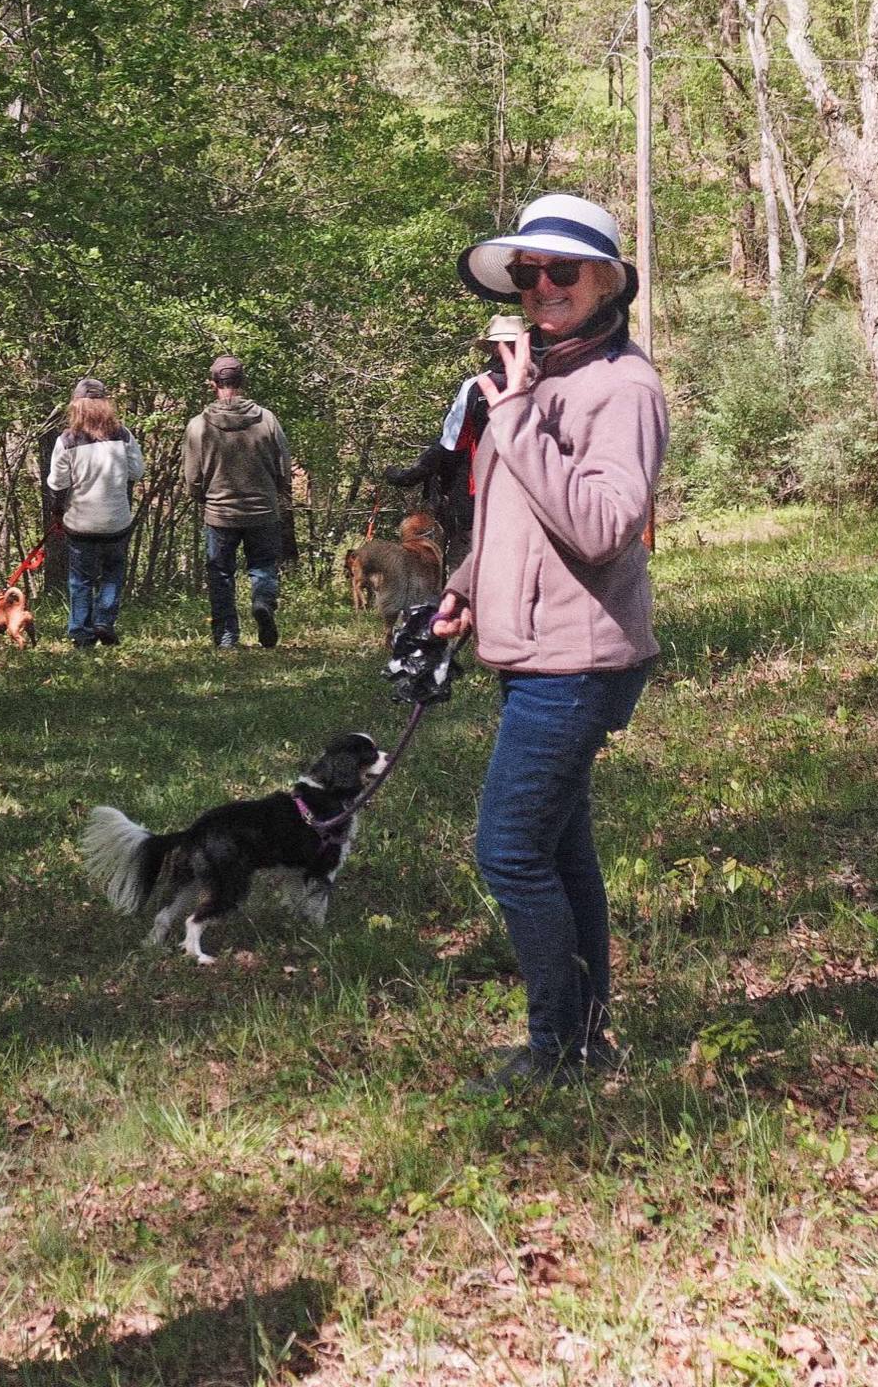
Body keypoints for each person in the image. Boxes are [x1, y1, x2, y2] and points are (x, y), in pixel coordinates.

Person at [431, 194, 667, 1095]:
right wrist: (462, 588)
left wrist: (519, 417)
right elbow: (514, 515)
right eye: (528, 273)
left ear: (606, 280)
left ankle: (554, 1048)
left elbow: (604, 527)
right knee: (563, 852)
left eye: (562, 270)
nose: (541, 287)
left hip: (579, 661)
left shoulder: (622, 387)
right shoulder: (540, 376)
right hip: (533, 649)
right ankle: (586, 1039)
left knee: (510, 852)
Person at [383, 314, 526, 564]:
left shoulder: (477, 386)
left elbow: (450, 444)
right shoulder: (547, 380)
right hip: (533, 495)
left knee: (476, 563)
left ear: (493, 348)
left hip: (483, 495)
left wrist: (411, 474)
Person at [182, 355, 293, 649]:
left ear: (213, 384)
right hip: (263, 509)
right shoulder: (267, 419)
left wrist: (200, 496)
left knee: (221, 574)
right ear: (243, 382)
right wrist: (278, 491)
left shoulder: (198, 425)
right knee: (263, 565)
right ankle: (263, 602)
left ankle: (226, 636)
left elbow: (192, 475)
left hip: (220, 513)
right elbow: (284, 465)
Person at [46, 377, 145, 648]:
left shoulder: (67, 440)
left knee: (81, 579)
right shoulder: (122, 435)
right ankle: (104, 621)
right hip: (116, 520)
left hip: (80, 521)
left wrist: (57, 511)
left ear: (75, 405)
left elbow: (57, 483)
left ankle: (81, 632)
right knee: (113, 572)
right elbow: (137, 472)